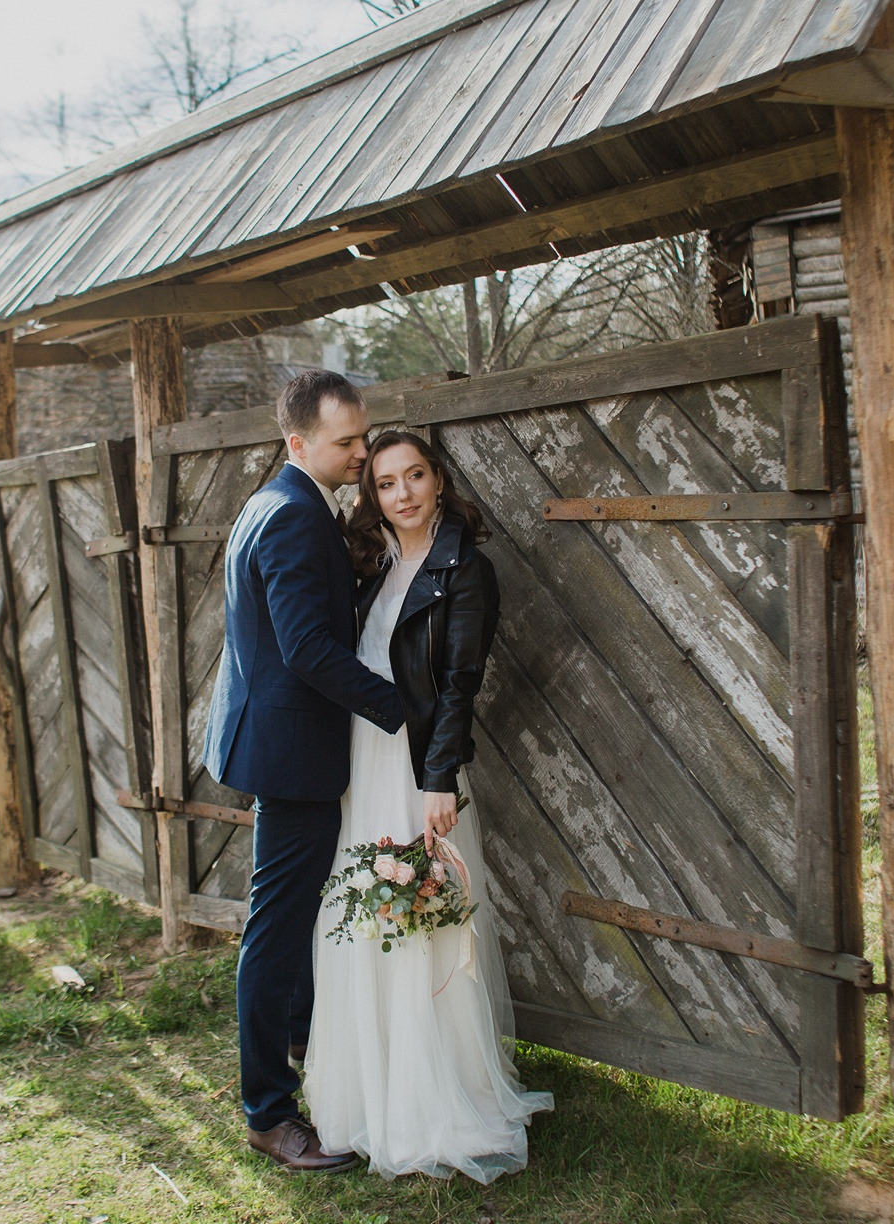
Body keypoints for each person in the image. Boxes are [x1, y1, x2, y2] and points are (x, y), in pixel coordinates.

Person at [302, 428, 552, 1182]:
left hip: (417, 769)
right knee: (358, 917)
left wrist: (439, 778)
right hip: (360, 762)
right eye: (386, 482)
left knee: (416, 920)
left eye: (415, 476)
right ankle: (368, 1095)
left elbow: (458, 685)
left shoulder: (466, 572)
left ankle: (429, 1099)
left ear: (439, 481)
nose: (403, 493)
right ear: (369, 495)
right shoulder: (370, 564)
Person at [203, 371, 404, 1173]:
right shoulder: (290, 516)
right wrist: (401, 709)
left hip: (275, 738)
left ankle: (303, 1042)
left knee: (288, 918)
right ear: (298, 443)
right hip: (291, 753)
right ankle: (268, 1114)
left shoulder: (280, 503)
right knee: (276, 930)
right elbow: (308, 649)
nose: (361, 454)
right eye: (346, 443)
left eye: (363, 438)